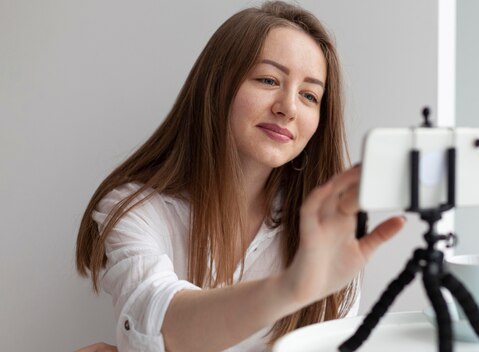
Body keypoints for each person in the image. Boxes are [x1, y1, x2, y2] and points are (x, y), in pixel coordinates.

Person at [75, 1, 406, 351]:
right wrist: (291, 287)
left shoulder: (327, 231)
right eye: (268, 79)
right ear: (217, 86)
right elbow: (158, 327)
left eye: (309, 95)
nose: (288, 107)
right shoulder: (137, 210)